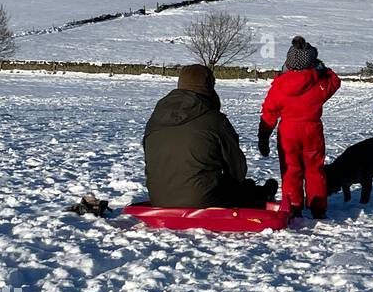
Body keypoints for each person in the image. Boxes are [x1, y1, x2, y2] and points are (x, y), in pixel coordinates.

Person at [143, 65, 276, 209]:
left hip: (159, 198)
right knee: (239, 188)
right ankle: (262, 193)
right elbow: (237, 170)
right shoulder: (215, 120)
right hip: (203, 199)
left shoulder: (155, 119)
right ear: (210, 87)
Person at [259, 37, 342, 218]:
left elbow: (269, 112)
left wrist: (263, 136)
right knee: (315, 169)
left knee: (290, 169)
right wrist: (320, 68)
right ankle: (318, 206)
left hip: (288, 131)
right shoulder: (319, 84)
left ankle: (294, 205)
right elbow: (335, 80)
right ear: (311, 62)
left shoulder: (279, 86)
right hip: (312, 130)